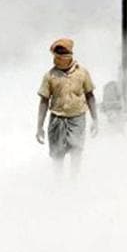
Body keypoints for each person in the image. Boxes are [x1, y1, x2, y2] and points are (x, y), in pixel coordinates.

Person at [35, 38, 98, 172]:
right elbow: (44, 101)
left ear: (69, 56)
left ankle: (74, 184)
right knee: (57, 156)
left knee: (77, 152)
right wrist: (39, 126)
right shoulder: (50, 76)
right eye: (56, 56)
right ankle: (58, 185)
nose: (58, 59)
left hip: (77, 119)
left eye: (61, 56)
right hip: (57, 119)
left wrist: (95, 119)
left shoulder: (82, 73)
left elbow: (90, 96)